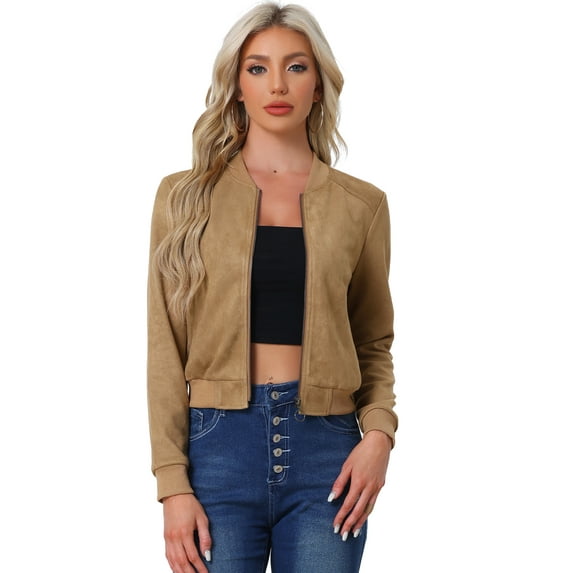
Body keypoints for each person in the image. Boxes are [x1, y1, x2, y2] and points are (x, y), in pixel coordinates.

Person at [147, 3, 397, 572]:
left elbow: (372, 342)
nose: (277, 84)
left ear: (319, 84)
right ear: (236, 85)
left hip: (328, 456)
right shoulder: (183, 199)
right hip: (216, 450)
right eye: (257, 68)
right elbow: (164, 348)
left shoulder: (362, 206)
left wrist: (379, 436)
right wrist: (172, 484)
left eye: (296, 66)